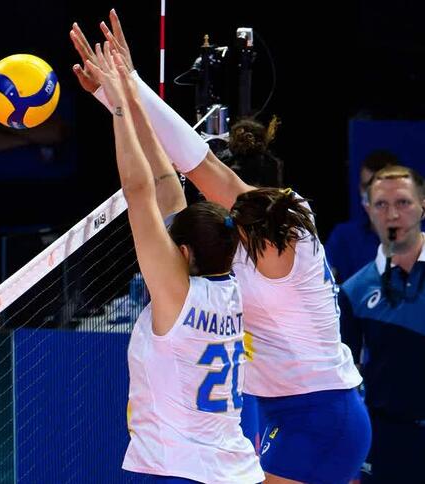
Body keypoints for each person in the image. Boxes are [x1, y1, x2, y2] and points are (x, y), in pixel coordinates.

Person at [71, 12, 369, 483]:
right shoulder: (230, 253)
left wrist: (129, 86)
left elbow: (189, 169)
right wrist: (116, 96)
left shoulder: (288, 229)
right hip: (291, 414)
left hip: (320, 414)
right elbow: (170, 180)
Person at [87, 42, 263, 483]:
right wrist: (122, 92)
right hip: (235, 470)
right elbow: (167, 182)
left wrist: (121, 112)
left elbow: (139, 190)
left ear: (183, 254)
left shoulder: (176, 295)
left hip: (176, 473)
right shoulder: (235, 283)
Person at [339, 165, 425, 483]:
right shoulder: (354, 292)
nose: (392, 215)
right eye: (381, 205)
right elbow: (347, 380)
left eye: (403, 203)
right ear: (367, 210)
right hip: (387, 444)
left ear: (422, 205)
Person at [325, 150, 399, 283]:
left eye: (381, 187)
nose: (374, 195)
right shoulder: (344, 237)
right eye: (367, 187)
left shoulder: (420, 238)